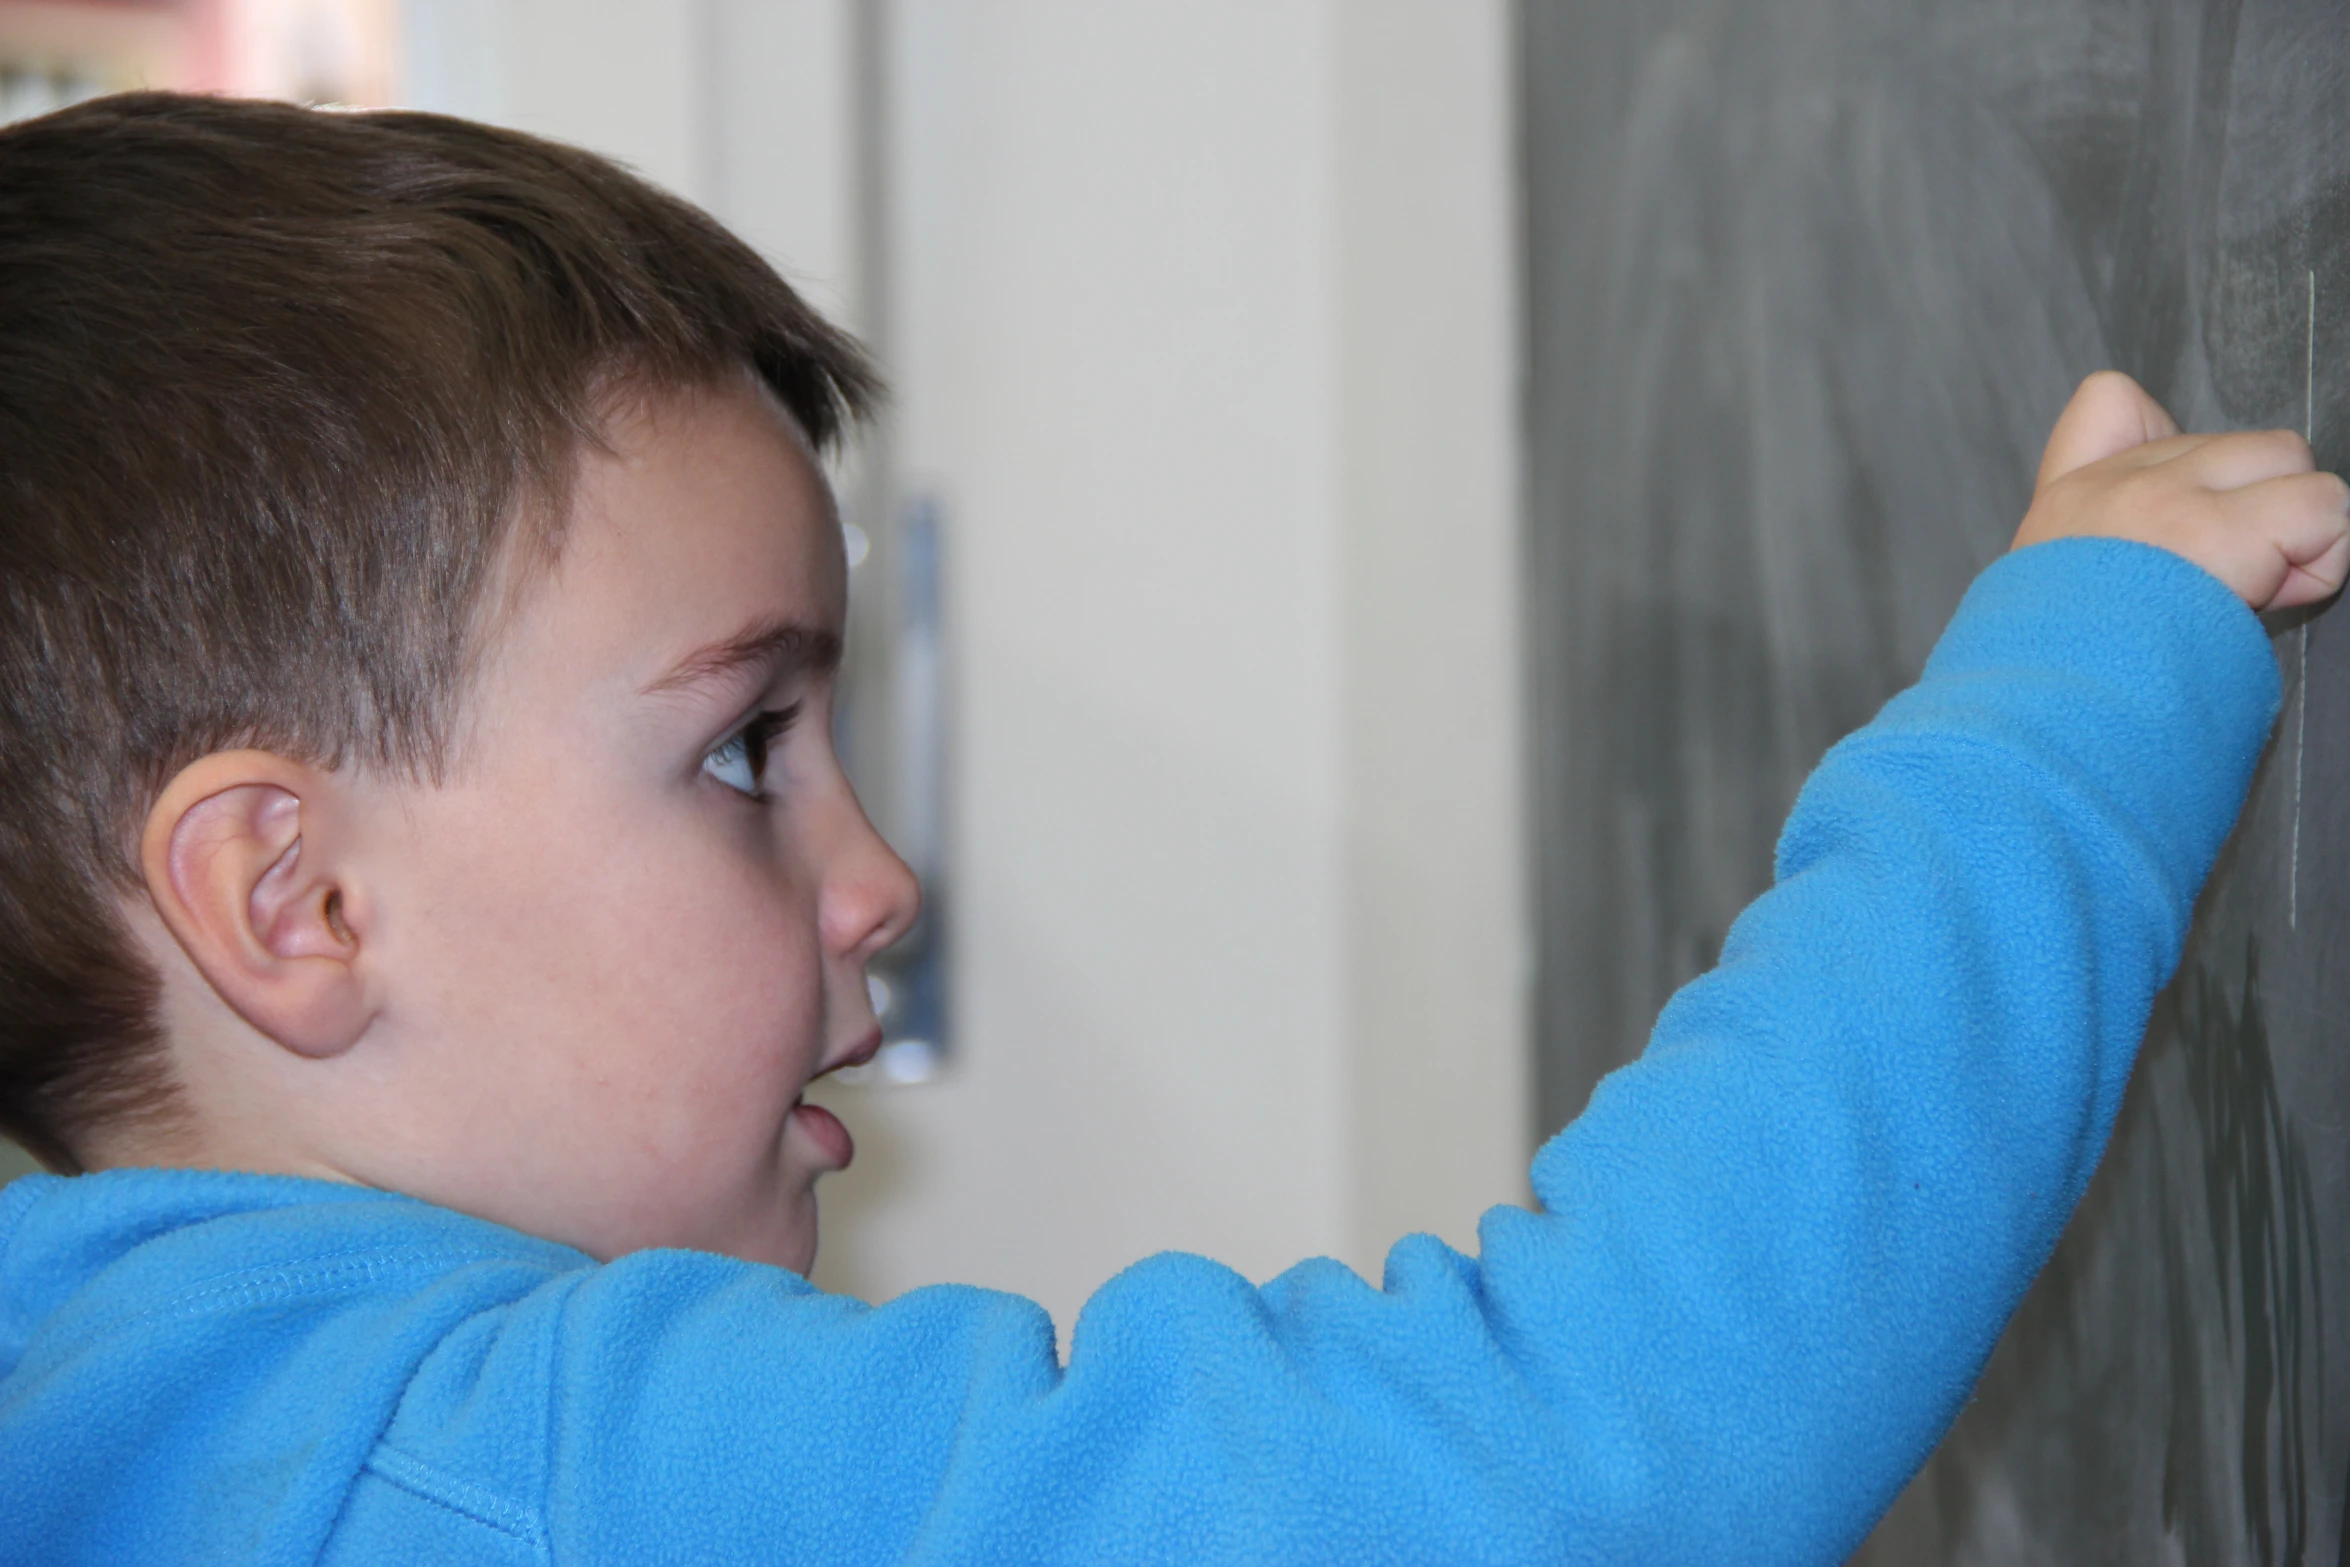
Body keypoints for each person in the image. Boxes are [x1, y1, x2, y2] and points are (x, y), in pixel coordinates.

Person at [0, 92, 2341, 1566]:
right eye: (744, 751)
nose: (877, 877)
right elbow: (1568, 1465)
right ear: (290, 903)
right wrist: (2068, 691)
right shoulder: (501, 1469)